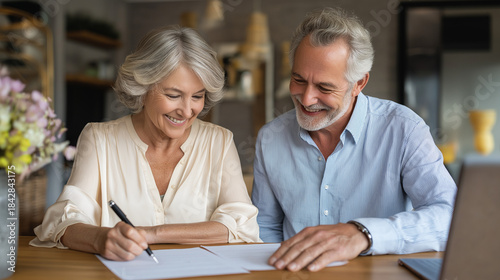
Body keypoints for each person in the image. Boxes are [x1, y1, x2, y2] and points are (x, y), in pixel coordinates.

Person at [251, 7, 457, 272]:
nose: (306, 98)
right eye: (298, 79)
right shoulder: (270, 138)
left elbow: (449, 217)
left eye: (324, 87)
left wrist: (364, 234)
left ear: (359, 83)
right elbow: (264, 228)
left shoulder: (404, 130)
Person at [31, 25, 261, 261]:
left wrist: (151, 234)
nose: (186, 110)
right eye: (173, 95)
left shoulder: (219, 142)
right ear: (142, 87)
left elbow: (242, 225)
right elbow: (62, 222)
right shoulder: (100, 139)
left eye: (197, 96)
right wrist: (101, 239)